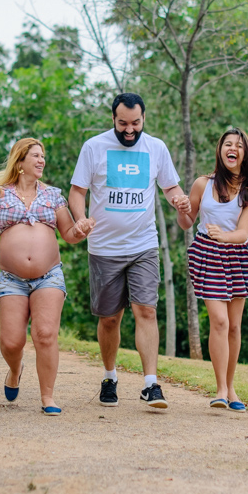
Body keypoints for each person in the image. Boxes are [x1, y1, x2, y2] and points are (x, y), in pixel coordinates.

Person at [70, 92, 191, 409]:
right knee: (110, 319)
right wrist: (81, 218)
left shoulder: (156, 148)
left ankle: (151, 384)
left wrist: (178, 199)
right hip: (104, 248)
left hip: (143, 245)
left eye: (135, 123)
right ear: (113, 118)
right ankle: (109, 377)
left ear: (143, 119)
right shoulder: (94, 147)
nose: (129, 129)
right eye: (123, 123)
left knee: (146, 311)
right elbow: (77, 191)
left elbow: (170, 187)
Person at [0, 138, 94, 415]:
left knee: (46, 334)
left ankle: (48, 397)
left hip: (48, 276)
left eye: (43, 156)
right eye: (36, 156)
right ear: (20, 161)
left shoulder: (53, 195)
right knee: (12, 342)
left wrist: (81, 228)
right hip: (11, 278)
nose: (42, 161)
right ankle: (15, 369)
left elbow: (69, 234)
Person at [177, 128, 248, 412]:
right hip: (208, 255)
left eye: (239, 146)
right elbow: (187, 222)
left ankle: (232, 387)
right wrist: (182, 208)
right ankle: (220, 390)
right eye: (228, 144)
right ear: (220, 150)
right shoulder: (203, 184)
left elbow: (242, 233)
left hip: (237, 256)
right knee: (220, 322)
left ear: (244, 153)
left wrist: (222, 236)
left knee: (235, 326)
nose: (233, 149)